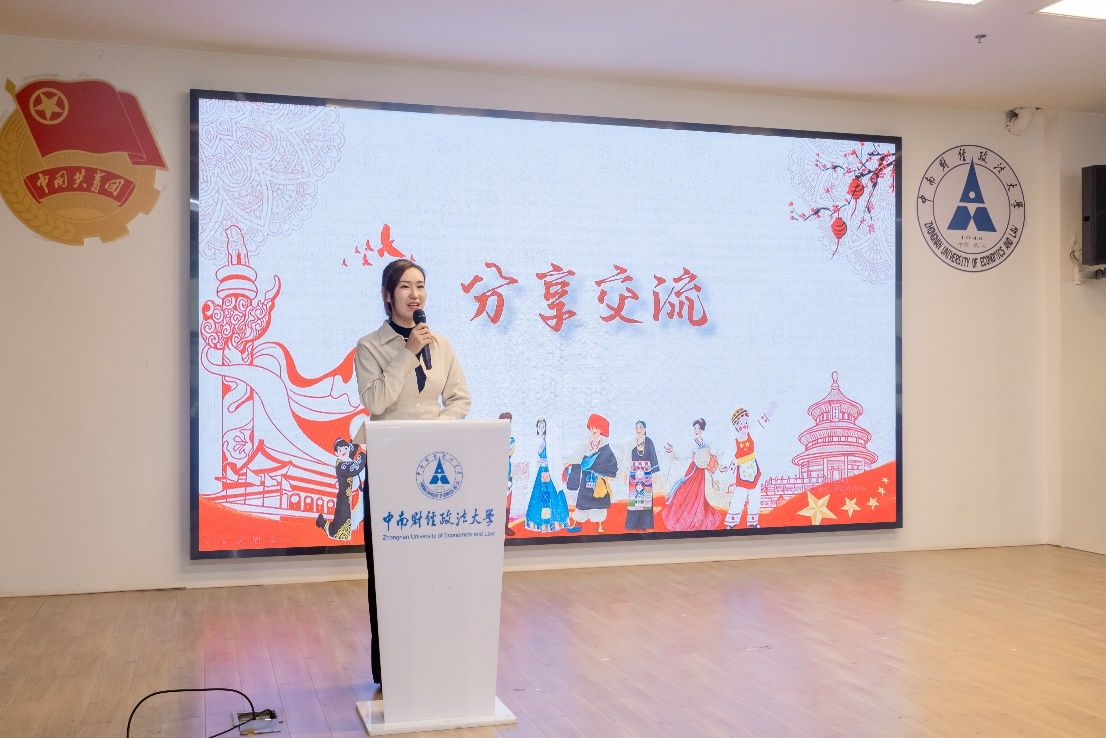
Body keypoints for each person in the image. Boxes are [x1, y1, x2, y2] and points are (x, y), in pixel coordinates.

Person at [353, 258, 471, 687]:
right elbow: (376, 403)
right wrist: (406, 354)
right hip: (389, 465)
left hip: (433, 468)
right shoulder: (370, 346)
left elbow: (459, 400)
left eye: (420, 285)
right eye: (405, 286)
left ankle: (436, 659)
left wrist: (435, 431)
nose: (415, 294)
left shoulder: (442, 344)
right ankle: (391, 668)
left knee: (434, 567)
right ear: (388, 295)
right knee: (390, 572)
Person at [662, 418, 723, 531]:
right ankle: (681, 515)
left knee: (697, 495)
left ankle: (696, 516)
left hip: (701, 473)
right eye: (694, 428)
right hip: (692, 471)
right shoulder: (692, 443)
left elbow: (710, 458)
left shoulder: (705, 444)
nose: (696, 430)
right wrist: (673, 451)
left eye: (698, 428)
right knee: (683, 491)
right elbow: (682, 455)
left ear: (702, 430)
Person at [567, 413, 618, 534]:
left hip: (599, 480)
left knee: (599, 504)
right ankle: (578, 522)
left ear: (601, 429)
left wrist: (608, 474)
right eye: (591, 428)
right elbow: (577, 454)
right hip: (586, 478)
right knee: (583, 502)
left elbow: (612, 463)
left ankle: (599, 525)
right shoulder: (586, 443)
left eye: (595, 427)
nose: (593, 430)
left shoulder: (606, 447)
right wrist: (569, 461)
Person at [524, 418, 570, 532]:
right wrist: (538, 457)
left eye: (543, 426)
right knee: (539, 496)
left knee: (553, 495)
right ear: (537, 428)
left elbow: (554, 455)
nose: (541, 428)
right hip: (539, 471)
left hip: (550, 471)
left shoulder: (549, 440)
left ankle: (554, 522)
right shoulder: (535, 441)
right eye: (539, 426)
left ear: (545, 428)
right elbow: (532, 457)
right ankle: (540, 524)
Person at [315, 438, 366, 540]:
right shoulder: (341, 466)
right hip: (345, 498)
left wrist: (356, 437)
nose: (344, 451)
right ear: (336, 453)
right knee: (339, 527)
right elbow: (355, 469)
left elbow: (353, 446)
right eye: (340, 450)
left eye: (345, 448)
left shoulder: (347, 457)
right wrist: (363, 452)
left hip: (356, 493)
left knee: (359, 513)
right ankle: (322, 523)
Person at [723, 407, 763, 529]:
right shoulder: (734, 443)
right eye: (740, 423)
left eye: (745, 422)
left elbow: (761, 424)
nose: (744, 425)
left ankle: (753, 522)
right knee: (739, 497)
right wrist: (724, 465)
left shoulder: (752, 435)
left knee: (755, 497)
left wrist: (769, 412)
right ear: (736, 427)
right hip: (742, 474)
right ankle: (731, 523)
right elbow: (729, 455)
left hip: (755, 472)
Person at [625, 420, 660, 531]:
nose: (638, 429)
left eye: (640, 427)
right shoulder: (632, 442)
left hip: (646, 474)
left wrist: (655, 473)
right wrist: (625, 472)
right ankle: (633, 524)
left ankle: (646, 524)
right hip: (634, 474)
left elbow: (653, 457)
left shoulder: (649, 441)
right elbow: (627, 458)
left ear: (645, 429)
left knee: (646, 499)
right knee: (634, 500)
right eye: (636, 427)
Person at [501, 412, 516, 536]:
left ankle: (505, 527)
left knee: (507, 504)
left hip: (507, 475)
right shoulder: (492, 438)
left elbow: (509, 452)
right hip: (494, 475)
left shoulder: (511, 440)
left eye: (508, 422)